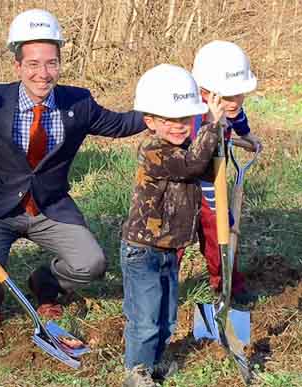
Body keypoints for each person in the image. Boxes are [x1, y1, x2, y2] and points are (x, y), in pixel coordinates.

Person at [0, 9, 146, 332]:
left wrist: (168, 110)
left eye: (51, 63)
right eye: (33, 64)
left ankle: (45, 283)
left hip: (50, 207)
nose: (43, 73)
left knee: (91, 263)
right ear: (18, 66)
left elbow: (121, 124)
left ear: (59, 63)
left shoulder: (78, 102)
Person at [120, 64, 225, 387]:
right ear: (150, 122)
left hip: (168, 249)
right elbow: (192, 165)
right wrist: (210, 125)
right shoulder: (153, 150)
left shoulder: (183, 150)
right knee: (146, 318)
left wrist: (220, 148)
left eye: (184, 119)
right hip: (143, 250)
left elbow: (201, 170)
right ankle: (136, 371)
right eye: (170, 120)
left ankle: (154, 363)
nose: (180, 127)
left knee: (166, 318)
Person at [187, 40, 262, 304]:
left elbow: (237, 116)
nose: (235, 102)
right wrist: (211, 200)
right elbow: (194, 159)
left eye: (240, 94)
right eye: (229, 96)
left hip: (212, 181)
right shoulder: (194, 113)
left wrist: (246, 134)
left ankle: (226, 285)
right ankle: (164, 290)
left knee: (222, 235)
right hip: (183, 186)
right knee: (172, 243)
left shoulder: (231, 105)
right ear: (205, 90)